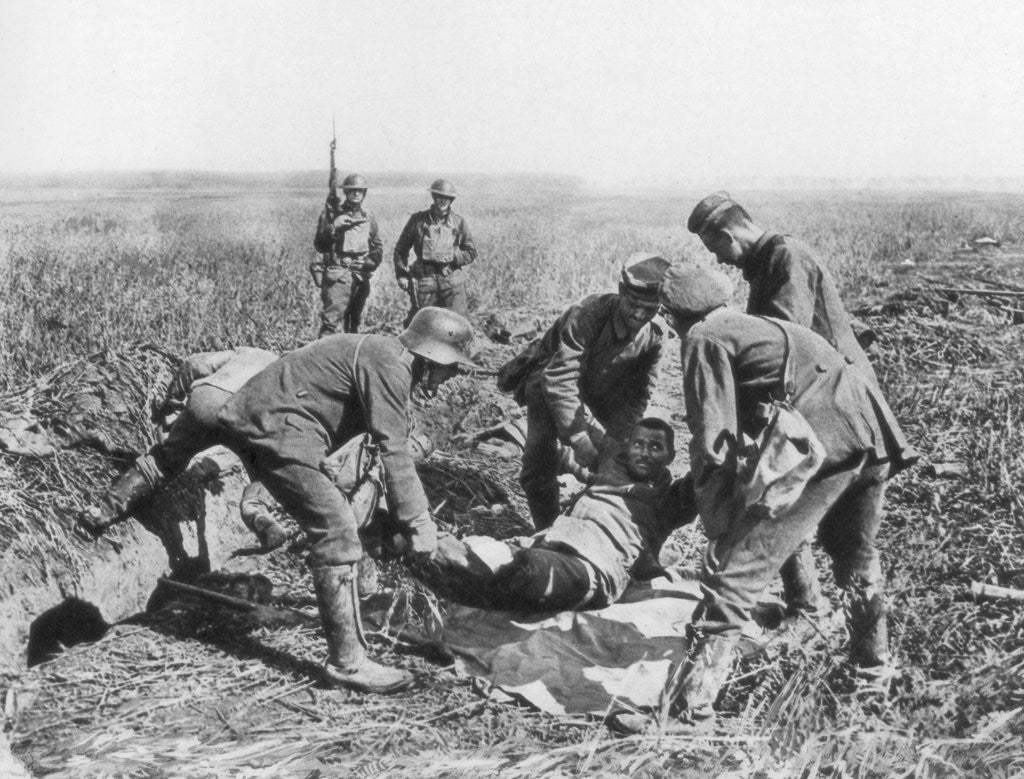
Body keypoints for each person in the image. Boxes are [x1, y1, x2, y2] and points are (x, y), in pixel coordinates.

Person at [615, 266, 916, 733]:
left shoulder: (705, 337)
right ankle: (873, 674)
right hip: (872, 437)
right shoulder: (765, 327)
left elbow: (712, 442)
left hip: (823, 446)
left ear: (673, 314)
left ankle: (689, 712)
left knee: (738, 571)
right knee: (857, 561)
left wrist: (721, 526)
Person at [215, 307, 479, 694]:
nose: (453, 375)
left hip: (275, 422)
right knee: (336, 530)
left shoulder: (385, 355)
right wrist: (421, 524)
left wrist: (395, 523)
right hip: (277, 428)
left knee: (346, 520)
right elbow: (394, 450)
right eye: (452, 366)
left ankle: (355, 619)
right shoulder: (391, 366)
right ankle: (348, 664)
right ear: (432, 354)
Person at [686, 192, 915, 615]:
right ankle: (806, 604)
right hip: (819, 405)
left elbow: (785, 341)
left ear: (726, 232)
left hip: (834, 408)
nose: (719, 259)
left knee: (816, 520)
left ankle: (814, 611)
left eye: (715, 247)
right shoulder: (767, 263)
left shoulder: (786, 257)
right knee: (791, 505)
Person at [422, 417, 697, 612]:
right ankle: (428, 551)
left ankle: (465, 562)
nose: (644, 453)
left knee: (525, 574)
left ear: (671, 456)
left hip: (595, 566)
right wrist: (513, 447)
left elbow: (710, 480)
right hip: (550, 542)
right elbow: (557, 450)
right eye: (638, 444)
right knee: (473, 560)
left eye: (655, 447)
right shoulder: (609, 469)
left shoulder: (670, 500)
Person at [503, 253, 669, 530]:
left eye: (649, 309)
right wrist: (578, 437)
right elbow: (560, 377)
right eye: (634, 304)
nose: (640, 315)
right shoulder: (587, 314)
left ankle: (594, 511)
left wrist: (618, 439)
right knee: (538, 466)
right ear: (620, 292)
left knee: (616, 457)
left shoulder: (656, 335)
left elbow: (639, 394)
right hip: (549, 379)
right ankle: (545, 530)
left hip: (605, 385)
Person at [78, 347, 288, 550]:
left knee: (162, 462)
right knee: (267, 470)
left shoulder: (252, 353)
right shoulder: (290, 383)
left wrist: (173, 403)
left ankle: (102, 513)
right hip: (251, 421)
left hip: (209, 403)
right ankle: (255, 509)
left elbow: (195, 363)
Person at [393, 179, 477, 321]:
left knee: (457, 325)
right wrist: (402, 275)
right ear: (434, 197)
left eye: (446, 197)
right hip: (425, 282)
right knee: (421, 325)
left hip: (452, 282)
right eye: (439, 196)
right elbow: (401, 250)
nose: (442, 201)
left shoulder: (459, 222)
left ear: (451, 200)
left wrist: (454, 256)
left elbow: (471, 252)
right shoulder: (418, 220)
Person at [313, 173, 383, 335]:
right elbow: (320, 245)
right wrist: (334, 228)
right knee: (331, 324)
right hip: (339, 275)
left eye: (360, 191)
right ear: (346, 193)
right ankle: (323, 357)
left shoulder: (368, 216)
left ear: (364, 193)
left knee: (354, 322)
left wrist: (369, 262)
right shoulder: (331, 215)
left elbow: (377, 246)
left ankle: (348, 358)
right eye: (352, 191)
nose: (356, 194)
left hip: (361, 276)